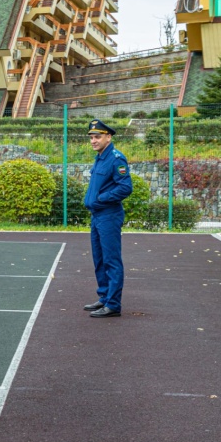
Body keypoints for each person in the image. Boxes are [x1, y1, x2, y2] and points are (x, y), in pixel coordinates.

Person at [82, 118, 133, 318]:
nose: (93, 141)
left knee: (111, 260)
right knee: (99, 259)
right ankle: (104, 297)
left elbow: (125, 187)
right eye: (91, 137)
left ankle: (113, 304)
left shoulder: (116, 158)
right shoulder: (101, 157)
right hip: (97, 215)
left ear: (108, 137)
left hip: (109, 215)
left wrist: (101, 199)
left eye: (97, 137)